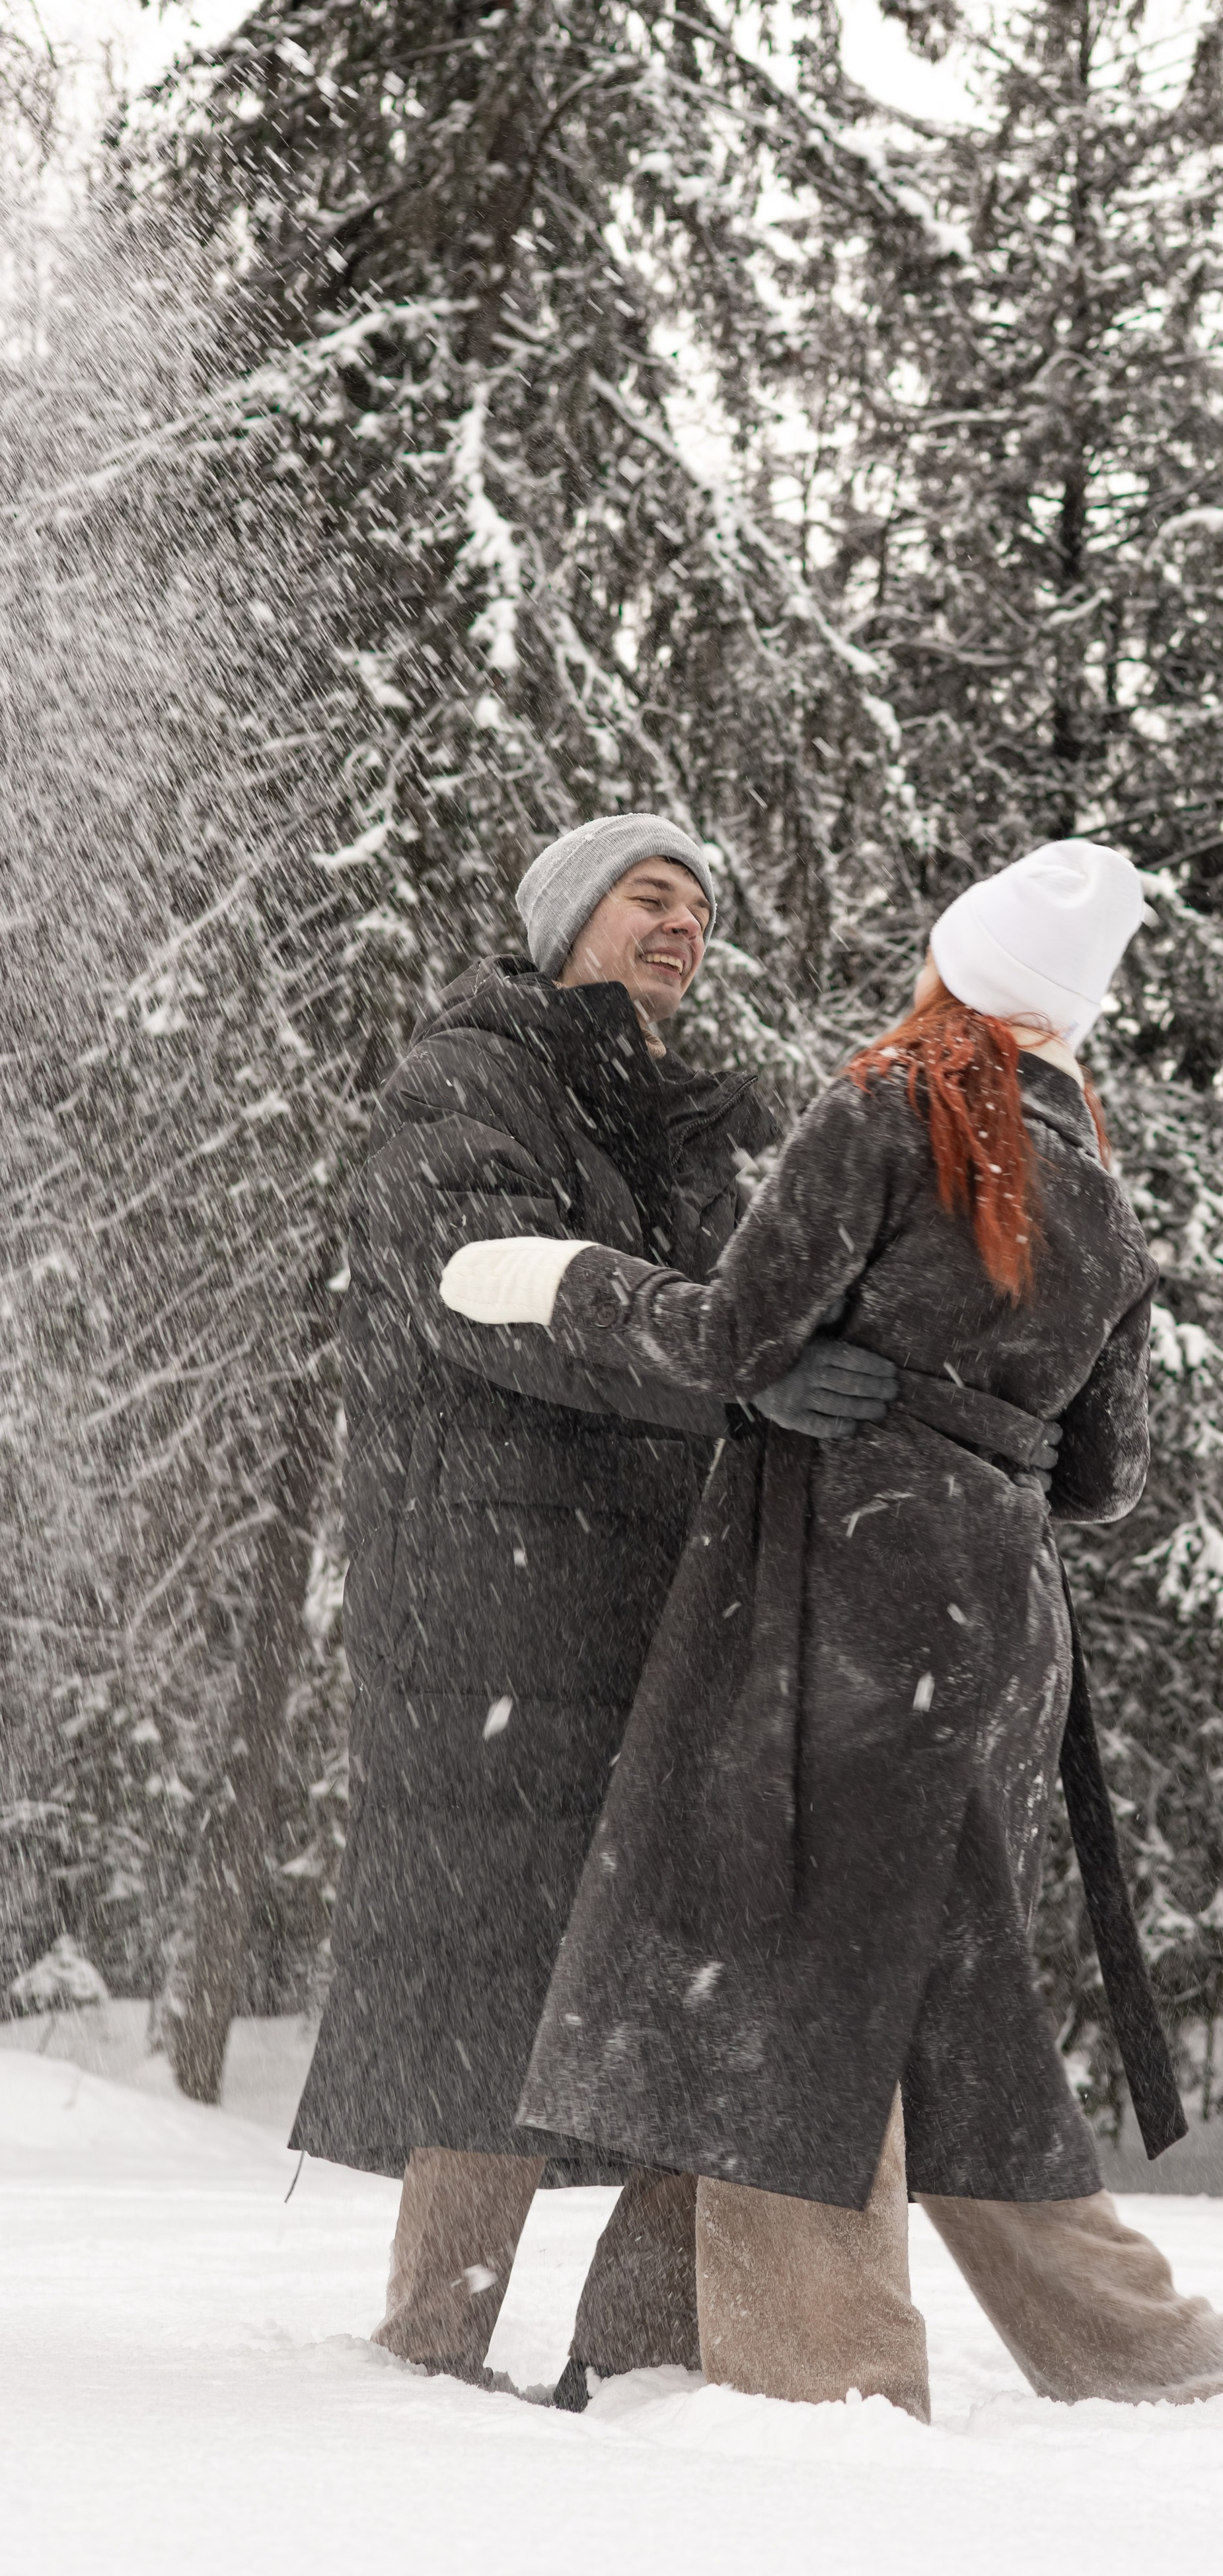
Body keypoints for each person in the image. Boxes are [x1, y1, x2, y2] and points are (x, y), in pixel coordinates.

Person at [444, 840, 1223, 2419]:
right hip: (998, 1620)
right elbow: (1105, 1476)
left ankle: (813, 2376)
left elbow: (728, 1333)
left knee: (782, 1981)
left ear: (950, 972)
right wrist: (972, 1415)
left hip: (840, 1592)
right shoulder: (1094, 1187)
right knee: (930, 1989)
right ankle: (1118, 2346)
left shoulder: (882, 1109)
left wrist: (555, 1281)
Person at [288, 813, 895, 2400]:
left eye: (701, 904)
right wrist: (716, 1346)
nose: (682, 923)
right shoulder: (470, 1076)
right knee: (487, 1980)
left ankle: (624, 2370)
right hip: (487, 1611)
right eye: (649, 896)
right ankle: (428, 2354)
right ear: (568, 922)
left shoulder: (687, 1126)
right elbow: (485, 1279)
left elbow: (749, 1322)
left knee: (682, 1986)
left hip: (654, 1606)